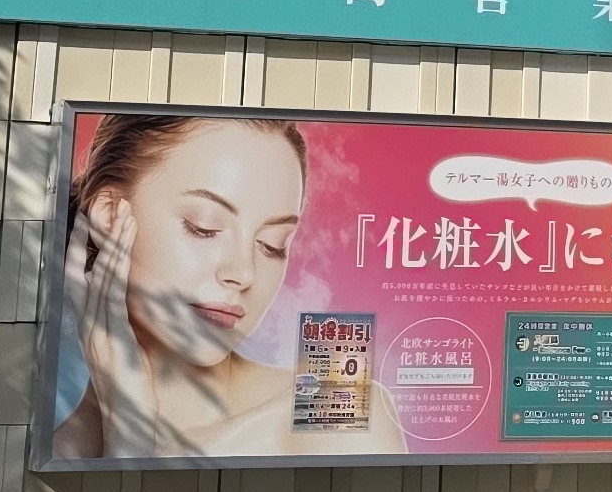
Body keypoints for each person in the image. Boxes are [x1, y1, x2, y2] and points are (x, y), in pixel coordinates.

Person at [43, 113, 403, 459]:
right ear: (109, 215)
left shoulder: (335, 414)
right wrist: (127, 439)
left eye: (273, 245)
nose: (244, 273)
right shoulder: (55, 454)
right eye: (204, 228)